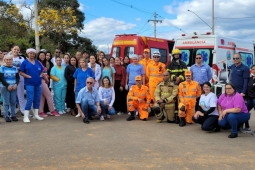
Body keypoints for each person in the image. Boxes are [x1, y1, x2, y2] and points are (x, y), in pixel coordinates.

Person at [225, 53, 250, 132]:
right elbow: (226, 69)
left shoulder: (245, 68)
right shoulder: (232, 67)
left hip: (240, 93)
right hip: (233, 92)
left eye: (237, 58)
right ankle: (238, 125)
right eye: (234, 58)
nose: (235, 60)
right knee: (234, 108)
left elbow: (246, 81)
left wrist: (243, 92)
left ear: (241, 58)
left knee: (243, 109)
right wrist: (224, 64)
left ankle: (246, 126)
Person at [19, 48, 46, 123]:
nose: (31, 55)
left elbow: (42, 70)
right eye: (30, 53)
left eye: (33, 53)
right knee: (30, 99)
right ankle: (25, 116)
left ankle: (36, 115)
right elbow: (21, 72)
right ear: (27, 54)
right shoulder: (25, 62)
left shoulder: (37, 62)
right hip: (29, 83)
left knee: (37, 98)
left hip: (38, 83)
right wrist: (27, 76)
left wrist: (40, 75)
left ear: (35, 54)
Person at [167, 48, 188, 124]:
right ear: (173, 55)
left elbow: (185, 74)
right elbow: (168, 74)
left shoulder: (183, 64)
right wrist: (175, 78)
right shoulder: (170, 64)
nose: (176, 55)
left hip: (182, 84)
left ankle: (182, 116)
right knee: (175, 100)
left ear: (179, 55)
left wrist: (180, 78)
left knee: (182, 99)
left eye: (178, 54)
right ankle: (176, 116)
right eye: (175, 54)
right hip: (173, 84)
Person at [37, 51, 59, 117]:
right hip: (41, 80)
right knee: (49, 95)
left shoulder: (43, 63)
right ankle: (52, 110)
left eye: (43, 55)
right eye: (41, 55)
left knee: (42, 97)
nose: (42, 56)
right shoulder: (38, 63)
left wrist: (47, 78)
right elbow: (40, 73)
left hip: (45, 80)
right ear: (38, 56)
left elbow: (45, 72)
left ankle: (40, 111)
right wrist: (46, 78)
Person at [0, 54, 20, 122]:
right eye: (7, 59)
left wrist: (16, 84)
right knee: (6, 102)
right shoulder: (2, 67)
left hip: (13, 87)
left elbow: (17, 77)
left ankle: (13, 115)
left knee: (13, 101)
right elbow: (1, 78)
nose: (8, 61)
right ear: (4, 60)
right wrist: (7, 85)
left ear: (12, 60)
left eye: (10, 59)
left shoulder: (14, 68)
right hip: (4, 87)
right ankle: (6, 116)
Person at [11, 45, 26, 116]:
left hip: (20, 78)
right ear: (12, 49)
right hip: (11, 79)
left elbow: (24, 68)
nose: (16, 51)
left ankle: (23, 110)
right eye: (15, 49)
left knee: (20, 95)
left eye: (18, 50)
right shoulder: (8, 58)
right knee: (11, 96)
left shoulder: (21, 58)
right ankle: (11, 111)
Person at [242, 65, 255, 134]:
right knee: (244, 111)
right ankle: (247, 127)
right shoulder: (250, 78)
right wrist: (246, 98)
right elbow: (247, 89)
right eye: (253, 69)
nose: (254, 70)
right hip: (249, 99)